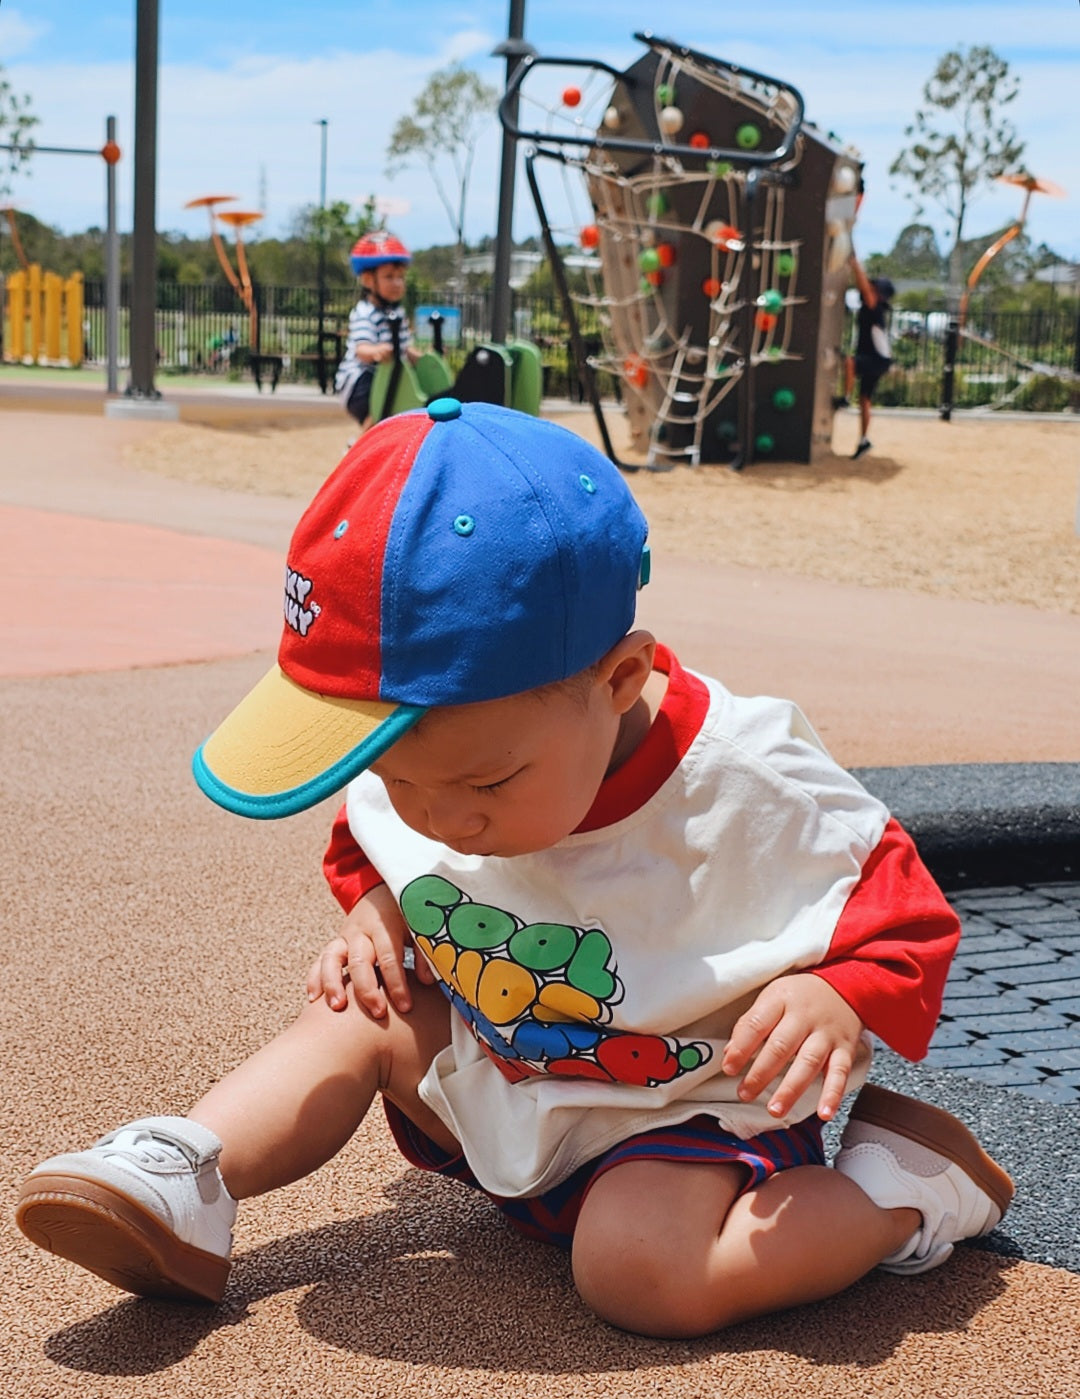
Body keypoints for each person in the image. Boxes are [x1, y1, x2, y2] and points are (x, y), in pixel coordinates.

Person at [15, 402, 1013, 1338]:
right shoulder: (436, 760)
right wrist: (378, 912)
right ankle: (191, 1170)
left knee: (639, 1272)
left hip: (680, 1103)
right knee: (358, 1013)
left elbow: (904, 909)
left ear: (619, 678)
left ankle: (900, 1185)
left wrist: (835, 990)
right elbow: (373, 838)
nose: (444, 820)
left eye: (485, 780)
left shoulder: (748, 783)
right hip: (505, 1056)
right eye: (396, 775)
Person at [334, 231, 420, 434]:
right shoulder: (365, 313)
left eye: (400, 277)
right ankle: (361, 447)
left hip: (388, 377)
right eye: (389, 277)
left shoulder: (397, 313)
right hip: (358, 383)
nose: (397, 283)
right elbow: (361, 349)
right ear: (367, 279)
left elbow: (406, 349)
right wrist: (376, 351)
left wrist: (423, 359)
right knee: (378, 413)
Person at [848, 255, 895, 459]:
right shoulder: (873, 310)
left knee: (849, 362)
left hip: (876, 360)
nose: (869, 289)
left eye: (874, 289)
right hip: (879, 360)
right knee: (865, 398)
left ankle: (844, 397)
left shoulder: (874, 309)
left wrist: (854, 264)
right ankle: (864, 440)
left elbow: (864, 288)